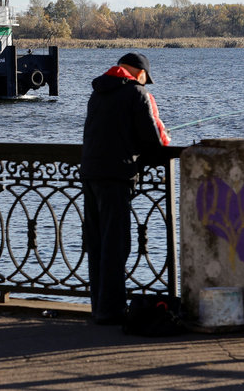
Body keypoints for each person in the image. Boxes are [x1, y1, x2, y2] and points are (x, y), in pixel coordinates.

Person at [81, 52, 171, 325]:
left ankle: (99, 307)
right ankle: (112, 311)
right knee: (116, 245)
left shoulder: (98, 91)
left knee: (97, 243)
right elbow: (152, 142)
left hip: (90, 174)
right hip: (117, 176)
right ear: (139, 73)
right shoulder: (137, 94)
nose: (146, 82)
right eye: (145, 78)